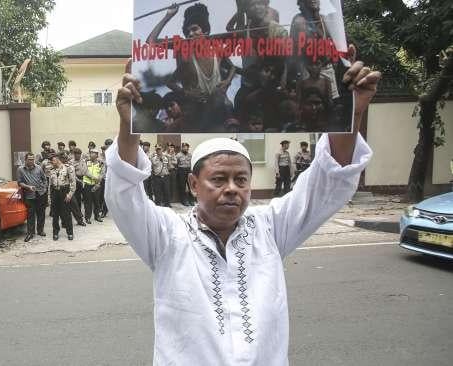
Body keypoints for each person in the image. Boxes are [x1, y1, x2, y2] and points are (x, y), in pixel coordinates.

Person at [107, 55, 379, 365]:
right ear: (194, 185)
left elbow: (328, 180)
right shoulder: (167, 235)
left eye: (241, 180)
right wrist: (128, 126)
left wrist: (351, 113)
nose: (232, 188)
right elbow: (124, 195)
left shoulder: (271, 228)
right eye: (219, 179)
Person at [148, 3, 239, 132]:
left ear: (205, 31)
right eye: (188, 32)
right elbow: (151, 41)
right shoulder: (183, 51)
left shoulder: (216, 50)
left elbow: (232, 67)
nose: (190, 34)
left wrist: (227, 81)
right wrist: (168, 15)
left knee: (224, 102)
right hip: (195, 111)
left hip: (218, 109)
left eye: (195, 29)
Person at [18, 153, 48, 242]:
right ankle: (30, 233)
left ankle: (40, 230)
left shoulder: (38, 168)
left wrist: (44, 188)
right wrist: (28, 187)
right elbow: (19, 182)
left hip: (40, 193)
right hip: (29, 195)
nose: (31, 161)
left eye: (32, 159)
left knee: (41, 213)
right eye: (29, 159)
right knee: (31, 215)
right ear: (25, 160)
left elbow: (44, 179)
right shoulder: (20, 169)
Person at [49, 153, 76, 240]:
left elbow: (73, 182)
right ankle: (55, 232)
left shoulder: (68, 168)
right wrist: (49, 196)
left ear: (57, 159)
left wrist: (70, 194)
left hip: (64, 191)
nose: (51, 162)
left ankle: (70, 233)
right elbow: (50, 184)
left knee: (66, 214)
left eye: (52, 160)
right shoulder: (52, 170)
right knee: (55, 214)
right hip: (55, 192)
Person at [83, 149, 105, 224]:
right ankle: (87, 217)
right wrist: (94, 177)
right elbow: (85, 172)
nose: (91, 154)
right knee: (87, 202)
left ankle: (97, 216)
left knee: (97, 201)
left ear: (96, 155)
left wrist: (98, 180)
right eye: (90, 153)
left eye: (93, 153)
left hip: (96, 185)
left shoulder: (101, 163)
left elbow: (102, 173)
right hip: (87, 184)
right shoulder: (86, 162)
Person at [70, 148, 87, 226]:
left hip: (84, 179)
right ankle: (78, 214)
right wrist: (79, 181)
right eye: (77, 154)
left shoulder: (83, 161)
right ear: (74, 154)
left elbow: (85, 170)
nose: (79, 155)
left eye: (80, 154)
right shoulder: (71, 162)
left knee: (82, 198)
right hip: (76, 180)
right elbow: (72, 174)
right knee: (76, 199)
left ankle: (80, 213)